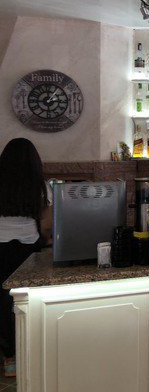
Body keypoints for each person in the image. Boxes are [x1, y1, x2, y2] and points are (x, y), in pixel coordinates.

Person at [0, 138, 52, 378]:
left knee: (2, 301)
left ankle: (9, 357)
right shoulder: (41, 186)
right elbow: (46, 224)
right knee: (26, 301)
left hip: (0, 248)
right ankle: (28, 353)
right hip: (28, 248)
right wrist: (46, 240)